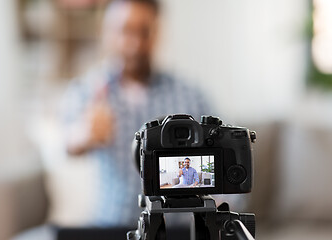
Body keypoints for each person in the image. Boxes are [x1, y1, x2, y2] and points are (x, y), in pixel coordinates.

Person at [13, 0, 211, 239]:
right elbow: (62, 143)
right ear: (106, 32)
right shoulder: (90, 91)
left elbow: (222, 160)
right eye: (125, 30)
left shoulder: (189, 95)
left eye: (143, 31)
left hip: (177, 230)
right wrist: (83, 134)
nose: (134, 43)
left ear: (157, 32)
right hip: (111, 226)